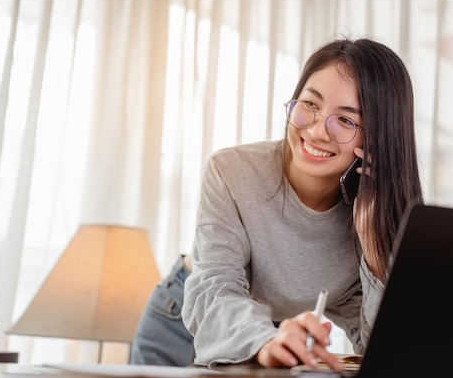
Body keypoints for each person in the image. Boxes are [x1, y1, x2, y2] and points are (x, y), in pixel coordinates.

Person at [131, 37, 422, 370]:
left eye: (345, 120)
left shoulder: (366, 218)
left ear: (378, 139)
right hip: (187, 321)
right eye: (310, 104)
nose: (315, 130)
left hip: (272, 336)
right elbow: (216, 290)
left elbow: (383, 349)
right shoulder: (231, 171)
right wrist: (267, 338)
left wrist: (374, 252)